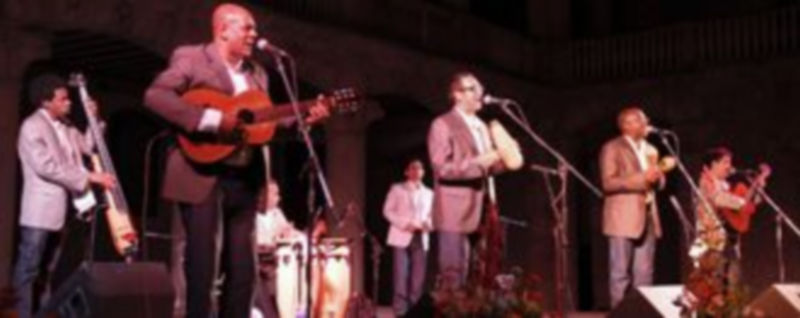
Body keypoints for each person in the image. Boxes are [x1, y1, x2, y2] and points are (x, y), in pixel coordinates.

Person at [143, 3, 328, 317]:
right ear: (223, 30)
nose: (254, 35)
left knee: (244, 271)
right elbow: (156, 97)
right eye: (248, 28)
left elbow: (262, 126)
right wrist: (212, 119)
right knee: (203, 267)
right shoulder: (192, 58)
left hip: (245, 179)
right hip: (202, 174)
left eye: (254, 29)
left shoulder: (258, 73)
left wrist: (303, 120)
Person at [13, 74, 114, 318]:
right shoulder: (31, 127)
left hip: (65, 208)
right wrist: (89, 177)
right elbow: (47, 167)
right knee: (29, 269)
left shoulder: (66, 125)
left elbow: (89, 146)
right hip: (40, 211)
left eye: (68, 98)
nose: (69, 103)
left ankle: (42, 312)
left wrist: (94, 118)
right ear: (46, 102)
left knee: (49, 269)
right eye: (63, 99)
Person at [427, 72, 504, 288]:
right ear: (456, 95)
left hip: (483, 209)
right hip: (454, 210)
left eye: (479, 87)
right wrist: (479, 163)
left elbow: (488, 167)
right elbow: (442, 168)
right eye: (472, 88)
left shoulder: (481, 125)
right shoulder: (442, 124)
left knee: (480, 277)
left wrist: (503, 160)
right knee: (453, 277)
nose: (479, 93)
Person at [599, 107, 665, 307]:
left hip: (648, 216)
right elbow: (608, 183)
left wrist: (659, 178)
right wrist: (642, 178)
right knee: (620, 274)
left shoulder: (650, 149)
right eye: (641, 120)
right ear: (626, 124)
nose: (647, 123)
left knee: (645, 275)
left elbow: (659, 184)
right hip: (622, 218)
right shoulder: (612, 147)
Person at [382, 159, 433, 316]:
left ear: (423, 172)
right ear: (407, 172)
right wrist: (405, 224)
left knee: (418, 279)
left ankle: (415, 311)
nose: (417, 170)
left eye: (420, 168)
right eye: (413, 168)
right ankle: (400, 311)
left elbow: (434, 215)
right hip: (401, 236)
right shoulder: (397, 189)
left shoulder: (429, 193)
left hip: (421, 237)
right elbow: (387, 211)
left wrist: (429, 224)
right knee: (401, 275)